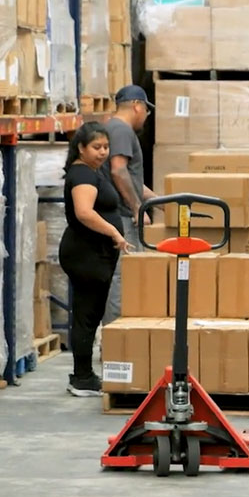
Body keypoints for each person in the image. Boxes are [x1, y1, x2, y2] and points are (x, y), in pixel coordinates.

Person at [61, 121, 131, 396]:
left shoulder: (91, 171)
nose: (103, 152)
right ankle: (82, 378)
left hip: (94, 253)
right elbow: (84, 212)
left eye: (106, 147)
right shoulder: (82, 175)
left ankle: (83, 375)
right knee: (87, 315)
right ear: (81, 148)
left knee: (89, 313)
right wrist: (114, 232)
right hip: (86, 254)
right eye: (96, 147)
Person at [103, 85, 157, 324]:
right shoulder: (121, 130)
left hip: (124, 216)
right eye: (146, 110)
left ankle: (124, 333)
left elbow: (131, 179)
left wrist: (161, 202)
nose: (146, 116)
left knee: (130, 277)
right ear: (137, 106)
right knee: (123, 278)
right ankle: (118, 336)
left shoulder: (115, 129)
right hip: (123, 219)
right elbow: (118, 171)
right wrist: (137, 208)